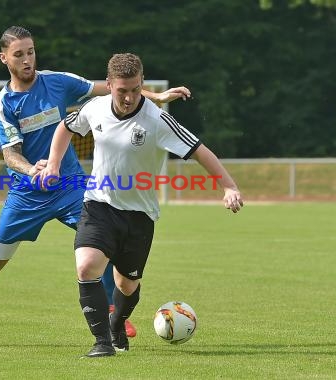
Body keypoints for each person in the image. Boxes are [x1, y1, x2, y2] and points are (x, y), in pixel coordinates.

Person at [0, 26, 190, 346]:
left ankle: (111, 315)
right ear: (3, 58)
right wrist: (31, 170)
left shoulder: (57, 82)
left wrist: (156, 96)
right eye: (18, 54)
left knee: (103, 243)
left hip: (72, 185)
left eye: (31, 51)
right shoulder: (4, 103)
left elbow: (111, 88)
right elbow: (10, 155)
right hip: (27, 194)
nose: (27, 59)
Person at [39, 52, 244, 357]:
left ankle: (117, 323)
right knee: (87, 266)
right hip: (98, 205)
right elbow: (66, 127)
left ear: (142, 84)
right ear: (109, 85)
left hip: (139, 215)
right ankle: (102, 343)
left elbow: (200, 151)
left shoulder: (157, 119)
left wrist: (228, 185)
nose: (129, 97)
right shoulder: (94, 108)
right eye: (122, 90)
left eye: (136, 89)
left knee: (127, 285)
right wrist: (53, 164)